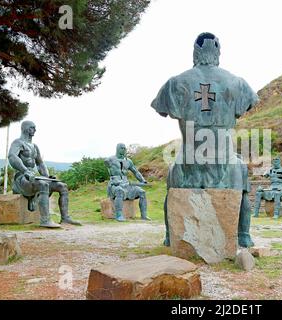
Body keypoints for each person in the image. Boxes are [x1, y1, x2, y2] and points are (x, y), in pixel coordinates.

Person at [151, 32, 259, 247]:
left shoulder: (175, 82)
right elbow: (249, 103)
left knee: (173, 176)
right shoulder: (238, 83)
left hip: (189, 162)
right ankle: (243, 235)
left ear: (195, 52)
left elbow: (160, 107)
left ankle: (169, 236)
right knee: (242, 174)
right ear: (218, 52)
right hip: (224, 163)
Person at [8, 120, 81, 228]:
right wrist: (25, 171)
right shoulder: (17, 143)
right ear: (26, 129)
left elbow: (40, 163)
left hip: (34, 177)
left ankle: (65, 218)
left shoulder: (35, 146)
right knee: (43, 184)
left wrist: (47, 176)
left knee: (62, 186)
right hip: (21, 178)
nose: (35, 130)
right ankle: (45, 220)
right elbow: (12, 157)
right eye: (32, 127)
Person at [104, 143, 150, 222]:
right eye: (122, 148)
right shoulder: (110, 159)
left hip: (126, 184)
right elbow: (106, 163)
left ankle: (144, 215)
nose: (124, 150)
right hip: (115, 184)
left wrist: (142, 180)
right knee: (119, 191)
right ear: (117, 149)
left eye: (125, 148)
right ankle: (119, 215)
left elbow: (135, 172)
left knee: (142, 192)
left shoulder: (128, 161)